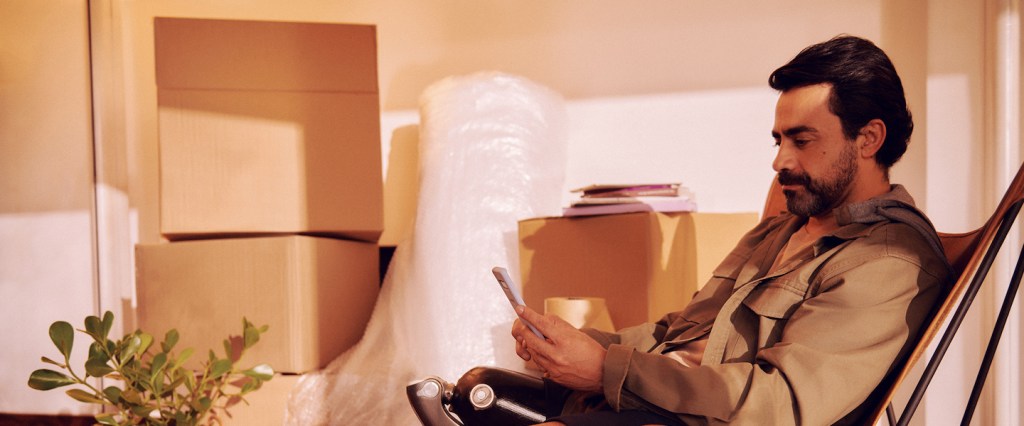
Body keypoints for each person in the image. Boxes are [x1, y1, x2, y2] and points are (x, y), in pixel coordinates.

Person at [508, 35, 953, 425]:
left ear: (869, 139)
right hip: (647, 404)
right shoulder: (782, 229)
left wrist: (607, 368)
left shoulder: (890, 262)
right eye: (779, 141)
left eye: (802, 140)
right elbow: (679, 334)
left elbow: (779, 405)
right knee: (471, 390)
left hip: (689, 419)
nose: (779, 161)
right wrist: (578, 345)